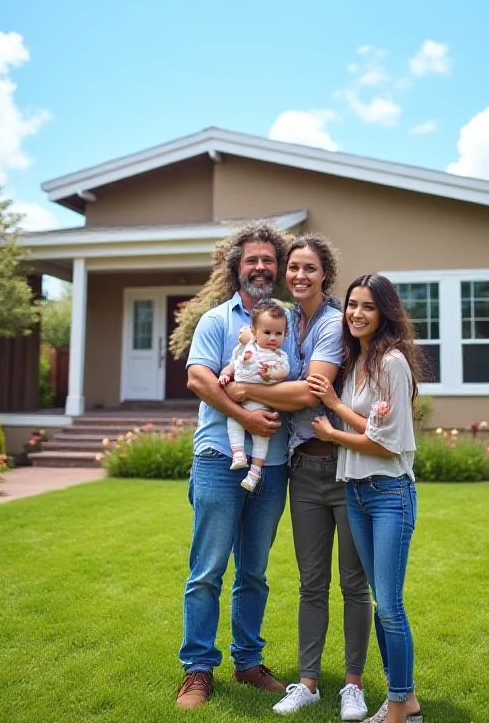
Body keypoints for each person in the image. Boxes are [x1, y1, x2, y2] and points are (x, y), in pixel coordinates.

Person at [225, 235, 372, 721]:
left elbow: (309, 394)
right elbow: (277, 380)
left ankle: (353, 684)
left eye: (309, 268)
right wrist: (258, 383)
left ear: (324, 273)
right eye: (293, 268)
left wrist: (244, 386)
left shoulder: (332, 323)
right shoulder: (284, 322)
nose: (299, 276)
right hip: (302, 469)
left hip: (344, 469)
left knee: (353, 583)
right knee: (312, 584)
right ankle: (308, 681)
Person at [176, 223, 295, 709]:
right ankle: (198, 669)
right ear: (237, 266)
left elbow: (302, 384)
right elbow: (201, 379)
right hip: (218, 458)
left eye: (269, 260)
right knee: (207, 571)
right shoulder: (215, 321)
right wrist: (245, 413)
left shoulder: (289, 323)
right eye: (252, 260)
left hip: (273, 463)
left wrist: (254, 394)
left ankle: (247, 662)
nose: (261, 267)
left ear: (278, 267)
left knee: (255, 571)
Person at [308, 274, 423, 723]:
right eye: (352, 305)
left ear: (385, 313)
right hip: (355, 491)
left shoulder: (392, 361)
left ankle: (398, 708)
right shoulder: (358, 361)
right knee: (381, 603)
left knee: (390, 606)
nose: (356, 313)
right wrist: (337, 404)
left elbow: (387, 444)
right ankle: (406, 698)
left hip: (389, 493)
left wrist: (334, 430)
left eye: (368, 307)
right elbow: (367, 423)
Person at [218, 301, 291, 490]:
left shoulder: (279, 356)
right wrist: (225, 375)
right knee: (233, 421)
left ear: (285, 334)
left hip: (262, 407)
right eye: (267, 332)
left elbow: (283, 373)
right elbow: (234, 365)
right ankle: (238, 453)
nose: (273, 338)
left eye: (278, 333)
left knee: (262, 438)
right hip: (241, 405)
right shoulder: (245, 350)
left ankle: (254, 473)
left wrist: (271, 374)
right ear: (255, 331)